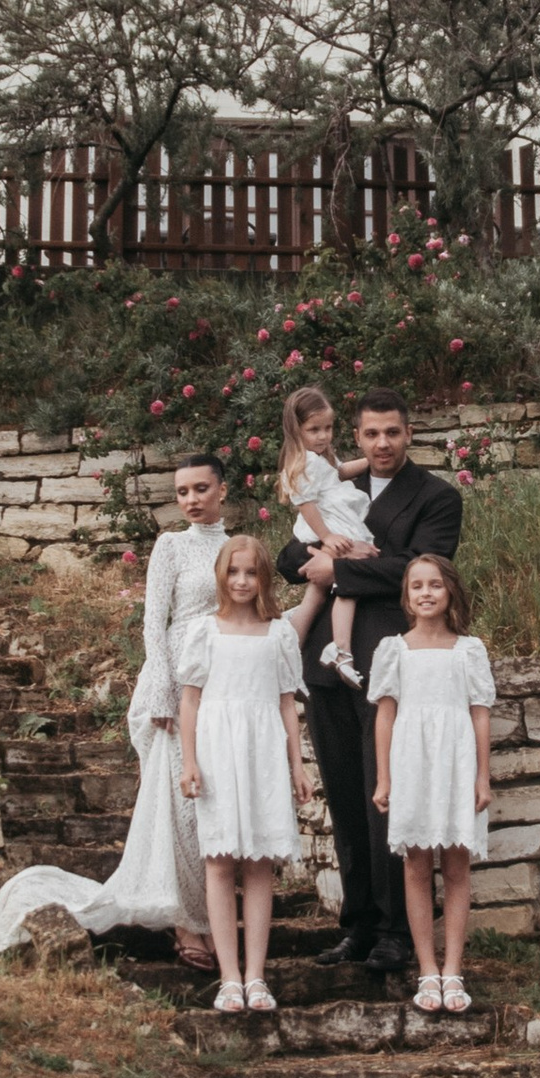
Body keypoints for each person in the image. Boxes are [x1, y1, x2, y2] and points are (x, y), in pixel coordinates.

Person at [0, 448, 227, 964]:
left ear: (222, 490)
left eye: (200, 489)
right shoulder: (171, 546)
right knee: (179, 807)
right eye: (182, 491)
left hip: (225, 683)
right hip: (177, 680)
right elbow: (153, 621)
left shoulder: (238, 548)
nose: (190, 500)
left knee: (215, 805)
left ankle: (216, 914)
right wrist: (161, 687)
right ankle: (184, 921)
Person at [275, 384, 463, 983]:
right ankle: (355, 925)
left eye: (393, 432)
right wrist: (321, 554)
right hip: (325, 662)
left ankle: (394, 932)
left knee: (388, 796)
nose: (382, 443)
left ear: (409, 434)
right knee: (346, 795)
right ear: (355, 436)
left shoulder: (436, 497)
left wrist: (342, 565)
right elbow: (287, 556)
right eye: (371, 433)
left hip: (389, 662)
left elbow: (423, 569)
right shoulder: (332, 482)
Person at [176, 531, 313, 1013]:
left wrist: (297, 767)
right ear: (220, 575)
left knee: (258, 862)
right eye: (233, 571)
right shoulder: (203, 631)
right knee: (219, 859)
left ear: (263, 579)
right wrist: (189, 761)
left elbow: (286, 705)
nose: (241, 580)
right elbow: (190, 701)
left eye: (250, 572)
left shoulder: (278, 633)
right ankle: (228, 977)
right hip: (217, 751)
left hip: (263, 753)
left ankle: (256, 976)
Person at [369, 554, 496, 1014]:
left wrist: (482, 775)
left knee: (457, 865)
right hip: (411, 764)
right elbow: (385, 717)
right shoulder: (394, 650)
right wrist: (384, 778)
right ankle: (426, 967)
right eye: (416, 585)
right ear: (406, 595)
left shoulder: (468, 650)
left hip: (456, 762)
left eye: (435, 585)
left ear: (450, 592)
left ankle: (453, 969)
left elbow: (480, 715)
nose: (426, 593)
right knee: (416, 865)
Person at [275, 385, 377, 689]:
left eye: (328, 428)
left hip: (335, 526)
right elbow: (305, 504)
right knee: (350, 579)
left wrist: (373, 460)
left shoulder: (320, 459)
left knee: (320, 592)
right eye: (314, 429)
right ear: (297, 430)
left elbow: (342, 471)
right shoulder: (302, 462)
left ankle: (290, 655)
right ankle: (340, 649)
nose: (323, 436)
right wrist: (327, 536)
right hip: (327, 529)